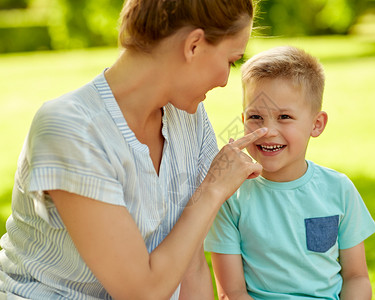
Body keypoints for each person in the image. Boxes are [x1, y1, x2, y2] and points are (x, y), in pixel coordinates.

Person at [0, 0, 268, 299]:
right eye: (231, 61)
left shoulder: (188, 116)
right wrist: (213, 189)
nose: (224, 81)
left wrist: (209, 192)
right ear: (194, 45)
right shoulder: (70, 128)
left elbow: (190, 267)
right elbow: (142, 293)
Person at [204, 46, 375, 300]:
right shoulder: (231, 197)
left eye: (284, 116)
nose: (267, 131)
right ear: (242, 120)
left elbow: (357, 278)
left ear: (316, 124)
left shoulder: (339, 189)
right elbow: (231, 293)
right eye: (255, 117)